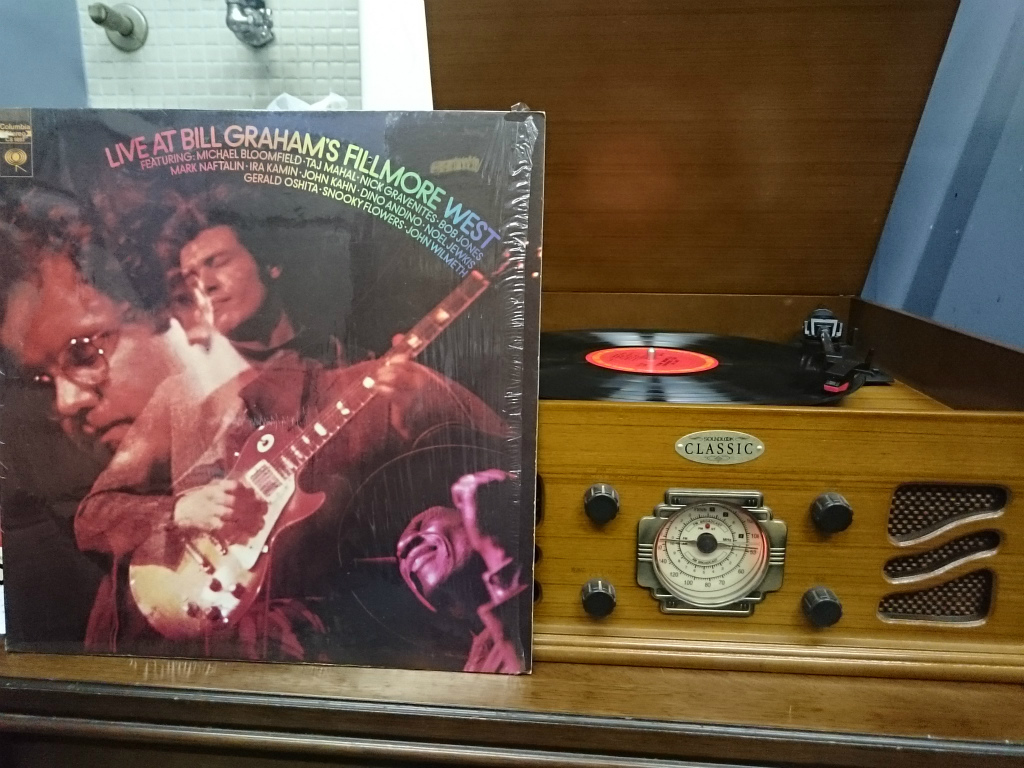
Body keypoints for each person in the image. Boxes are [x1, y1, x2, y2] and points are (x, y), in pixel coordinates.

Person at [160, 195, 345, 365]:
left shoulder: (345, 355)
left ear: (271, 263)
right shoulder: (203, 388)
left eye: (218, 263)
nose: (205, 285)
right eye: (192, 281)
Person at [396, 469, 527, 673]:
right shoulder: (476, 672)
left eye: (422, 524)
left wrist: (494, 549)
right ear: (450, 610)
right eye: (402, 561)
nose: (403, 545)